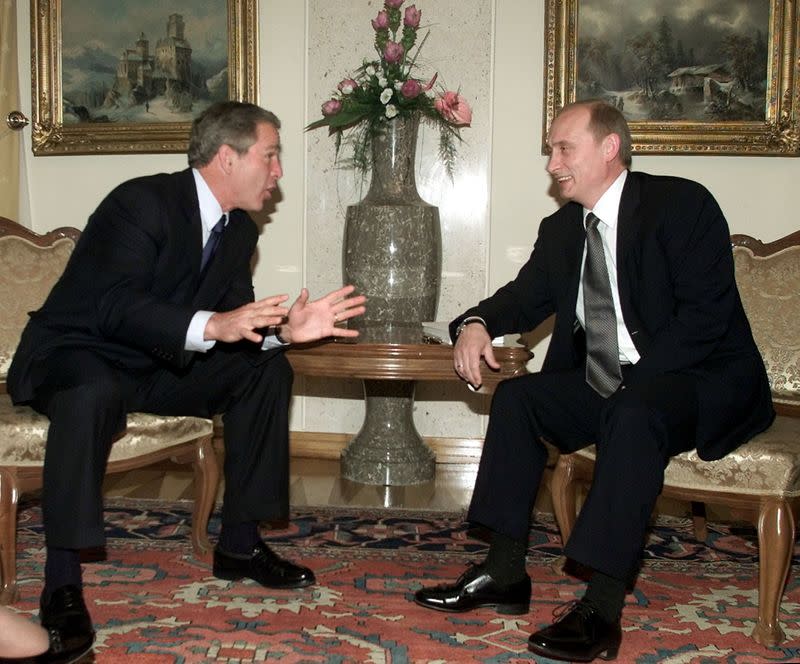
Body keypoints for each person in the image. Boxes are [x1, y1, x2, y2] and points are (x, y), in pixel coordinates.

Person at [413, 99, 774, 662]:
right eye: (551, 150)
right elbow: (522, 297)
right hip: (613, 379)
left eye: (563, 148)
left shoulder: (681, 205)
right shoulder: (561, 229)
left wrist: (633, 387)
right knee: (519, 400)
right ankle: (504, 573)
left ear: (609, 148)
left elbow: (703, 321)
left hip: (697, 377)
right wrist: (475, 323)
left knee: (632, 413)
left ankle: (601, 610)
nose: (552, 162)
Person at [7, 101, 366, 664]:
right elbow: (114, 306)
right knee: (92, 390)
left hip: (153, 366)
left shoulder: (239, 230)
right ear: (228, 157)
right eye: (270, 157)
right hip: (75, 351)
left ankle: (241, 545)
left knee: (265, 366)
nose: (278, 174)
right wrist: (216, 325)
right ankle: (62, 582)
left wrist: (284, 335)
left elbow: (233, 322)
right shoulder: (141, 202)